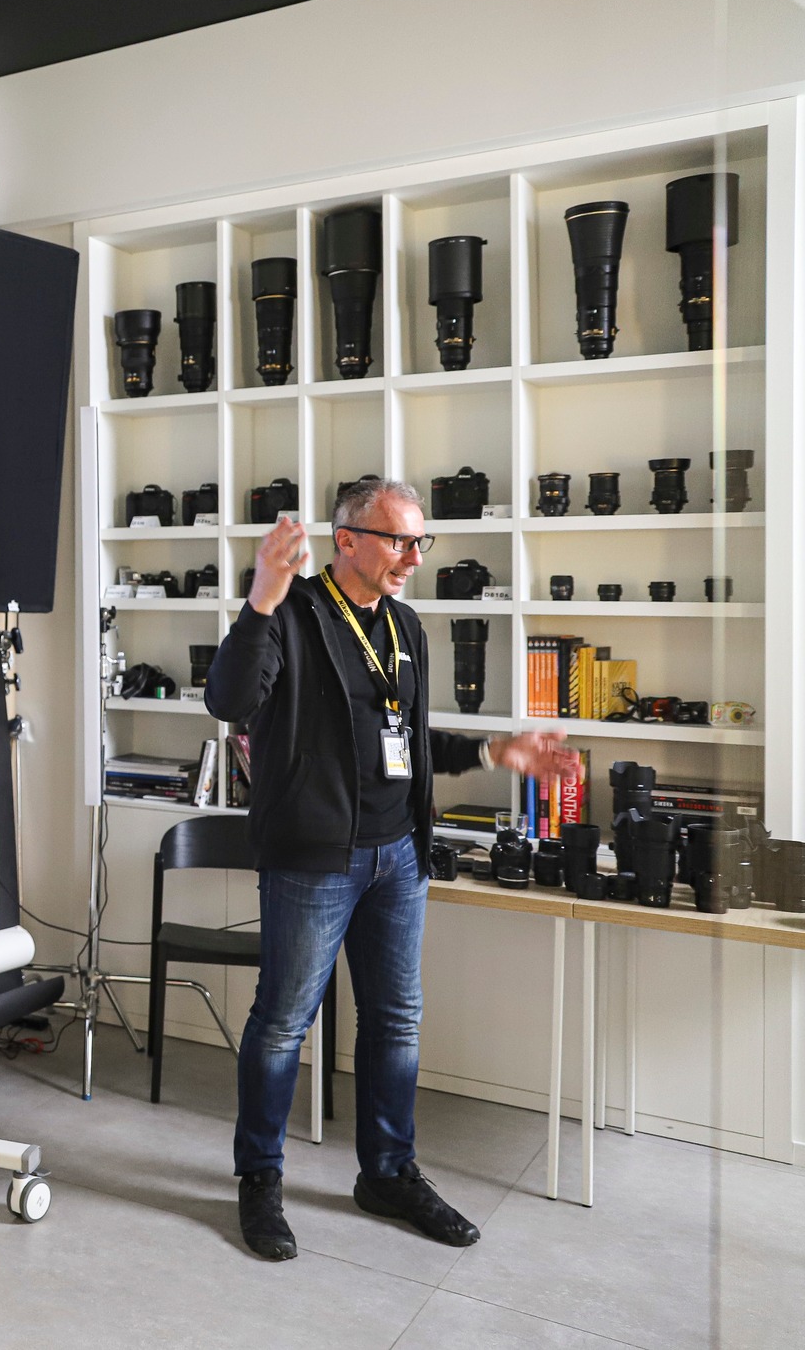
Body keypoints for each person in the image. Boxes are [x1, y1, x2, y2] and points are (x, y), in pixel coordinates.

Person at [204, 477, 579, 1262]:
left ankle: (387, 1173)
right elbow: (229, 699)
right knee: (282, 1024)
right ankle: (260, 1179)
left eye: (419, 541)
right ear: (347, 539)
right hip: (315, 859)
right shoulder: (291, 613)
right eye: (399, 540)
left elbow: (406, 739)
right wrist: (262, 595)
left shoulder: (406, 625)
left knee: (396, 1020)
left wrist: (494, 751)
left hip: (399, 854)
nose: (414, 557)